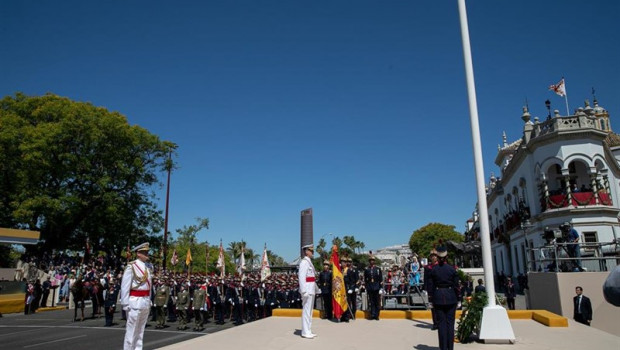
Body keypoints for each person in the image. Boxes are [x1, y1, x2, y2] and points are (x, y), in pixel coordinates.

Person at [427, 244, 460, 350]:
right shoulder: (452, 269)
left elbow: (430, 287)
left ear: (437, 256)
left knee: (441, 325)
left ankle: (443, 348)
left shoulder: (433, 270)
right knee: (450, 324)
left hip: (438, 298)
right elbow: (456, 286)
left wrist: (431, 299)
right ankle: (450, 348)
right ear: (446, 256)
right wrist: (459, 299)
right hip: (451, 297)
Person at [120, 242, 153, 350]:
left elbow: (149, 286)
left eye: (147, 252)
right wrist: (125, 304)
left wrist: (149, 300)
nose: (147, 254)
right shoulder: (132, 266)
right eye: (145, 252)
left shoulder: (148, 267)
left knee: (140, 332)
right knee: (131, 332)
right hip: (134, 302)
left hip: (145, 301)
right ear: (138, 253)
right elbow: (125, 286)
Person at [298, 244, 317, 339]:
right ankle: (305, 331)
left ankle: (308, 330)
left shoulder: (309, 262)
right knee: (306, 311)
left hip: (311, 289)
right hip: (307, 291)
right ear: (306, 251)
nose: (313, 252)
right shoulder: (304, 262)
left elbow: (312, 278)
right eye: (311, 251)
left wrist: (317, 289)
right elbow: (301, 277)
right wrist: (303, 291)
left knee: (310, 312)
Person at [364, 254, 383, 320]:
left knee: (377, 301)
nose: (371, 261)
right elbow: (365, 279)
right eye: (370, 260)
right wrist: (366, 287)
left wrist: (380, 288)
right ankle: (372, 314)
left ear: (374, 261)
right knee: (371, 301)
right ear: (369, 261)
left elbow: (380, 279)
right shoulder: (367, 269)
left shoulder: (378, 269)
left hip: (376, 287)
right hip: (370, 287)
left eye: (373, 260)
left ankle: (377, 315)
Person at [423, 250, 439, 330]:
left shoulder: (440, 266)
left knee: (439, 306)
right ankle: (435, 323)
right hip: (430, 289)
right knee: (432, 307)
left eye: (435, 256)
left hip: (439, 288)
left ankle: (440, 322)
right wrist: (425, 289)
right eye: (432, 256)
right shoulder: (427, 267)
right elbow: (425, 279)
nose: (433, 257)